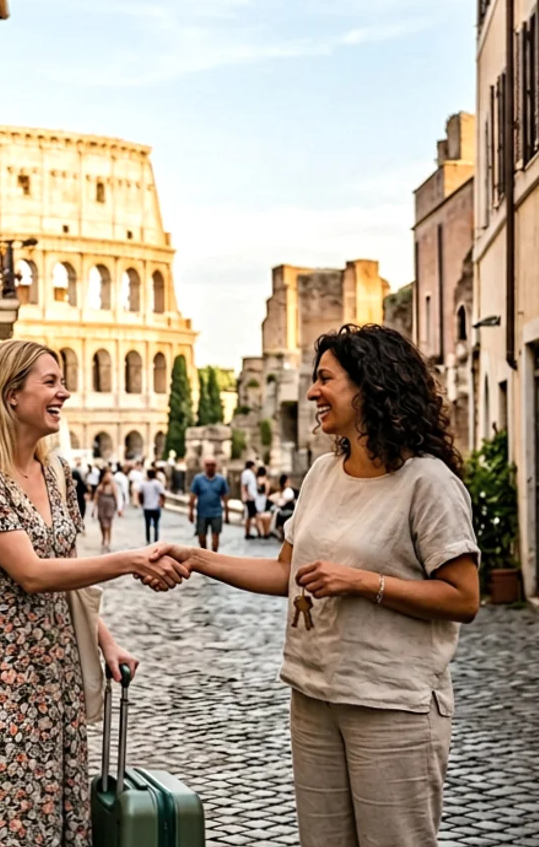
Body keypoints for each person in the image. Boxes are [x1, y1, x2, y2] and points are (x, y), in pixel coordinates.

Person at [154, 325, 479, 847]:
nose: (312, 392)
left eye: (325, 379)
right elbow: (286, 573)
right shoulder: (323, 474)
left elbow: (463, 597)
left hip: (391, 703)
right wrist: (197, 558)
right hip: (313, 694)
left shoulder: (429, 483)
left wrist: (361, 582)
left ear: (370, 385)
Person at [0, 340, 189, 847]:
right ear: (11, 395)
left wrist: (106, 642)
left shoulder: (56, 473)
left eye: (63, 382)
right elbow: (33, 574)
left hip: (59, 674)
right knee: (6, 816)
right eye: (50, 383)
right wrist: (130, 560)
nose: (65, 393)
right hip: (1, 673)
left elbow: (69, 577)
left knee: (56, 810)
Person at [188, 456, 230, 552]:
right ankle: (205, 554)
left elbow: (225, 498)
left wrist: (227, 514)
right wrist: (190, 512)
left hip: (216, 513)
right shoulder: (198, 479)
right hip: (202, 513)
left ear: (216, 466)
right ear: (204, 466)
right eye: (208, 465)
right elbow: (192, 496)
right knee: (201, 536)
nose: (210, 467)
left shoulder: (221, 480)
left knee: (216, 536)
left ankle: (213, 555)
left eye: (213, 465)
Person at [139, 466, 166, 544]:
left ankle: (148, 540)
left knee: (147, 525)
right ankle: (156, 540)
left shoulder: (143, 484)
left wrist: (142, 503)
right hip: (155, 506)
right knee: (156, 524)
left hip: (147, 507)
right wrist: (162, 503)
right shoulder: (157, 483)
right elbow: (162, 494)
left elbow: (140, 494)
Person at [93, 473, 119, 549]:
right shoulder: (100, 486)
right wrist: (93, 508)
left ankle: (108, 538)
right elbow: (96, 497)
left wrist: (117, 507)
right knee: (102, 521)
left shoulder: (113, 486)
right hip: (101, 505)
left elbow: (116, 496)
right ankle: (104, 537)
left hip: (110, 505)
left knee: (108, 522)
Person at [270, 473, 296, 539]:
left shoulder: (289, 491)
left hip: (288, 511)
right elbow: (272, 498)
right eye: (287, 481)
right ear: (284, 483)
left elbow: (283, 502)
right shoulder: (283, 491)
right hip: (285, 512)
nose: (289, 483)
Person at [241, 460, 260, 538]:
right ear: (252, 466)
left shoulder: (250, 474)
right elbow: (245, 486)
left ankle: (249, 533)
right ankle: (250, 533)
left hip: (251, 497)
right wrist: (247, 496)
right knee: (250, 516)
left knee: (250, 516)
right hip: (250, 498)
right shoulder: (247, 473)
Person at [254, 466, 274, 537]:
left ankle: (260, 532)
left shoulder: (256, 480)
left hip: (257, 499)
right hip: (263, 499)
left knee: (257, 516)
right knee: (265, 516)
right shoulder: (266, 480)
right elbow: (267, 491)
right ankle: (266, 532)